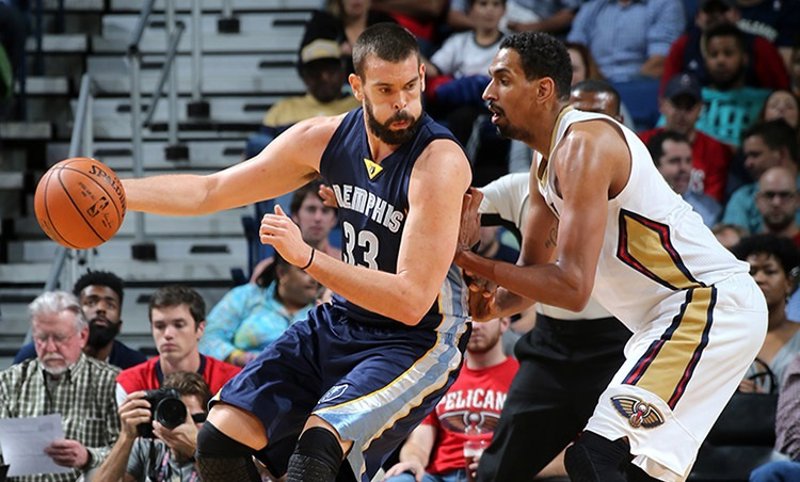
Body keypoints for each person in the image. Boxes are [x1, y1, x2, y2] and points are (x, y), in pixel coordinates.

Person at [119, 23, 472, 482]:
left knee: (316, 452)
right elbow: (211, 190)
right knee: (219, 438)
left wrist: (306, 257)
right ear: (357, 86)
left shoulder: (438, 161)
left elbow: (410, 301)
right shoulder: (324, 139)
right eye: (385, 90)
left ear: (423, 76)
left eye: (410, 86)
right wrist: (118, 191)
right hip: (345, 319)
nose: (402, 102)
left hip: (417, 337)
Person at [456, 32, 767, 481]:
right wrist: (490, 306)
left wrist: (471, 261)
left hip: (707, 305)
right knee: (630, 470)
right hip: (665, 321)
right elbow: (529, 278)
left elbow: (572, 288)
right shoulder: (544, 165)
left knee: (596, 456)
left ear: (543, 89)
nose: (488, 92)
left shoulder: (585, 144)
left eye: (503, 80)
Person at [469, 77, 631, 481]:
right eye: (577, 117)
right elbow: (455, 206)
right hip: (550, 347)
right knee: (496, 472)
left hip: (620, 348)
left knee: (619, 471)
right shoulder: (525, 187)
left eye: (600, 119)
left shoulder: (636, 193)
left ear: (620, 128)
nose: (584, 132)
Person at [0, 291, 120, 482]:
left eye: (59, 338)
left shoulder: (112, 382)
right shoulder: (8, 382)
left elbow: (128, 453)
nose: (50, 348)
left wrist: (88, 456)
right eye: (41, 338)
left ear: (83, 336)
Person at [382, 316, 518, 482]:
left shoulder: (523, 378)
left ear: (504, 323)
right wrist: (413, 461)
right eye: (470, 320)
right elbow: (419, 442)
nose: (475, 326)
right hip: (438, 476)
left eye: (484, 318)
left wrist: (506, 465)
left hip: (496, 473)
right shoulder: (442, 377)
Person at [115, 285, 241, 406]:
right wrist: (125, 423)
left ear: (200, 329)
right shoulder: (131, 383)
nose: (168, 334)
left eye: (179, 325)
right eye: (159, 326)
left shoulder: (232, 381)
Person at [200, 253, 321, 367]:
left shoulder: (323, 310)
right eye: (305, 271)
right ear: (282, 273)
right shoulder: (245, 296)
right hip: (241, 375)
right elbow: (209, 337)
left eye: (317, 271)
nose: (314, 279)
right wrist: (240, 358)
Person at [13, 270, 147, 370]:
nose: (101, 309)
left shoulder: (135, 364)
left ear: (120, 325)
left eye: (110, 305)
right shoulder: (35, 355)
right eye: (91, 302)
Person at [94, 371, 211, 482]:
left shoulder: (218, 451)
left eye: (196, 418)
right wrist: (126, 437)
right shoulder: (149, 446)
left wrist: (196, 450)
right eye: (178, 417)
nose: (186, 426)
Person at [659, 0, 789, 96]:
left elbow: (782, 93)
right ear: (697, 18)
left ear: (737, 14)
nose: (717, 16)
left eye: (723, 10)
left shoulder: (760, 46)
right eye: (709, 11)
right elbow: (667, 97)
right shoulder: (683, 46)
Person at [639, 73, 733, 202]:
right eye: (677, 104)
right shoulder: (641, 142)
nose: (682, 114)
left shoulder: (715, 150)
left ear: (700, 109)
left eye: (689, 106)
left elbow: (712, 203)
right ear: (662, 105)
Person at [730, 234, 800, 394]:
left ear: (789, 283)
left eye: (769, 271)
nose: (759, 279)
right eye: (752, 272)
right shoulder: (726, 336)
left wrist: (765, 402)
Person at [566, 0, 685, 82]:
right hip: (595, 84)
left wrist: (626, 87)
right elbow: (573, 51)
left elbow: (660, 61)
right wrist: (598, 83)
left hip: (642, 85)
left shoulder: (665, 4)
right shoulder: (592, 7)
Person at [722, 119, 799, 234]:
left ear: (782, 154)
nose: (748, 163)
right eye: (769, 195)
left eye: (755, 155)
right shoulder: (742, 198)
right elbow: (732, 242)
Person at [646, 130, 721, 227]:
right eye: (674, 161)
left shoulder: (710, 209)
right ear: (654, 165)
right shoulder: (639, 204)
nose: (684, 168)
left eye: (688, 161)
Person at [755, 166, 800, 247]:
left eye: (784, 195)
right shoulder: (746, 250)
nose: (776, 203)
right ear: (758, 201)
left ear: (797, 200)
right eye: (769, 195)